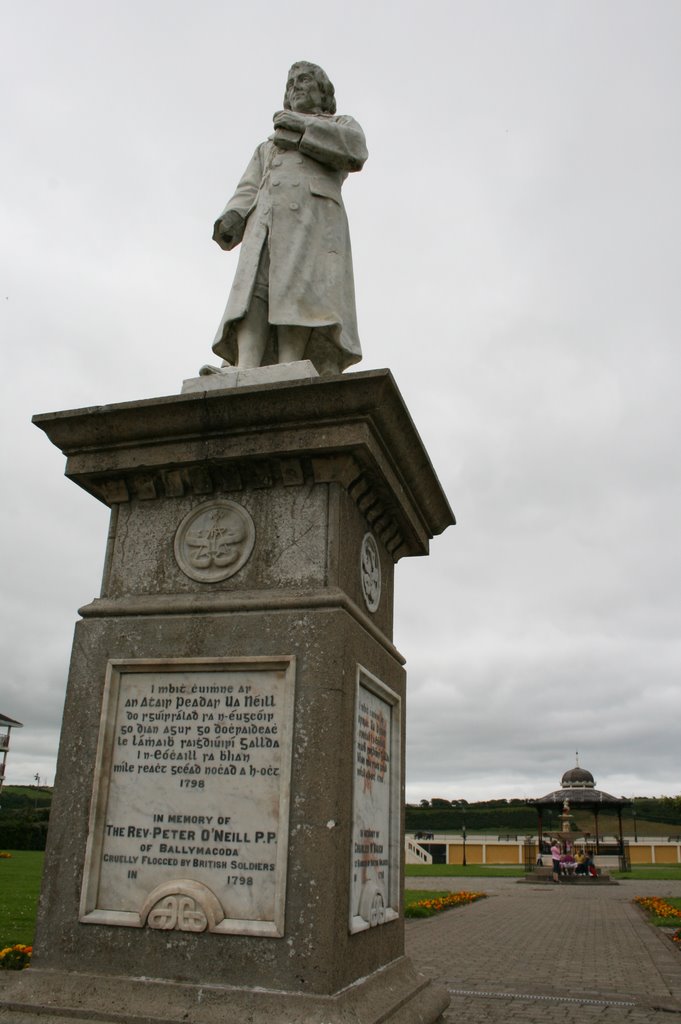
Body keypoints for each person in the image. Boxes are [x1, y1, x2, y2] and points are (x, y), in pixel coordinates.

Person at [205, 61, 368, 377]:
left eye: (303, 80)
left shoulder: (339, 124)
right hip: (264, 222)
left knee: (297, 290)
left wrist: (301, 131)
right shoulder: (268, 145)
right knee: (254, 292)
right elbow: (250, 185)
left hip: (310, 221)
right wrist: (233, 216)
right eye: (290, 83)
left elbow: (355, 150)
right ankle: (246, 366)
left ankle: (290, 365)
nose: (295, 87)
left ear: (322, 92)